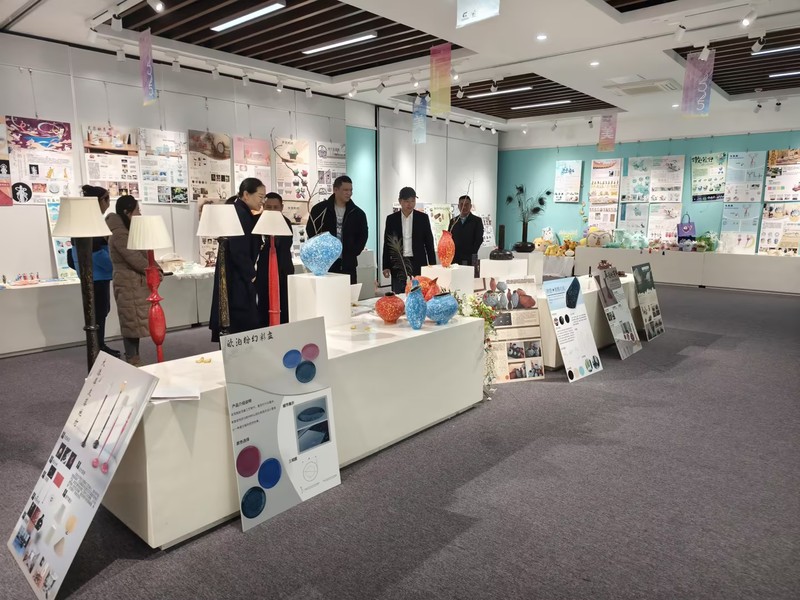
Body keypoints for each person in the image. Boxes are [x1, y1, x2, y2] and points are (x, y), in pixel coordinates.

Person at [209, 178, 265, 342]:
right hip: (237, 277)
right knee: (240, 319)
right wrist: (251, 274)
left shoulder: (240, 212)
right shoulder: (241, 214)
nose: (262, 201)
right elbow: (238, 250)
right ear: (246, 195)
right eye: (260, 196)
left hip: (235, 274)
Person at [67, 185, 120, 358]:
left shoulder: (82, 221)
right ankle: (98, 347)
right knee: (99, 312)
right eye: (107, 199)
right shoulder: (93, 223)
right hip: (97, 276)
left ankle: (99, 345)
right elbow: (97, 254)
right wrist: (115, 265)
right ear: (101, 201)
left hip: (93, 275)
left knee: (98, 313)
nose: (108, 203)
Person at [106, 195, 159, 366]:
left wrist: (156, 269)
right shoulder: (120, 235)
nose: (139, 214)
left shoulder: (127, 232)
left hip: (133, 284)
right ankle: (133, 359)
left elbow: (144, 255)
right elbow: (135, 258)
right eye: (137, 210)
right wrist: (155, 271)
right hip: (128, 284)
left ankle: (134, 359)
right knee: (130, 323)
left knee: (133, 322)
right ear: (127, 212)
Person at [306, 175, 368, 284]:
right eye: (345, 190)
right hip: (326, 264)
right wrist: (321, 252)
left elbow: (363, 235)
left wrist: (353, 252)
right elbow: (311, 231)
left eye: (351, 190)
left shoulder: (358, 213)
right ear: (335, 189)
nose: (349, 193)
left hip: (348, 264)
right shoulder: (319, 209)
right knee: (327, 292)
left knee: (348, 292)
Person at [381, 186, 436, 293]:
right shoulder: (392, 219)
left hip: (418, 262)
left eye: (412, 201)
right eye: (406, 201)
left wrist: (432, 264)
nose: (410, 204)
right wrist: (385, 266)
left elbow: (429, 242)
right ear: (400, 201)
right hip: (398, 262)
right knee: (399, 294)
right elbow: (387, 243)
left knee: (419, 293)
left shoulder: (422, 218)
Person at [255, 192, 295, 325]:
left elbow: (285, 246)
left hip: (283, 270)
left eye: (275, 207)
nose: (272, 210)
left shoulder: (286, 222)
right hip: (264, 271)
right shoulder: (258, 223)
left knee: (285, 304)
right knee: (264, 303)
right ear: (263, 206)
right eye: (269, 207)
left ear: (281, 207)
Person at [449, 195, 484, 266]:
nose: (464, 207)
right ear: (458, 206)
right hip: (455, 258)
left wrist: (472, 252)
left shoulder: (477, 221)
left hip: (470, 258)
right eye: (461, 204)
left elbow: (479, 239)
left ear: (470, 206)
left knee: (470, 273)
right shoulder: (453, 221)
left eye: (466, 205)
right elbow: (449, 238)